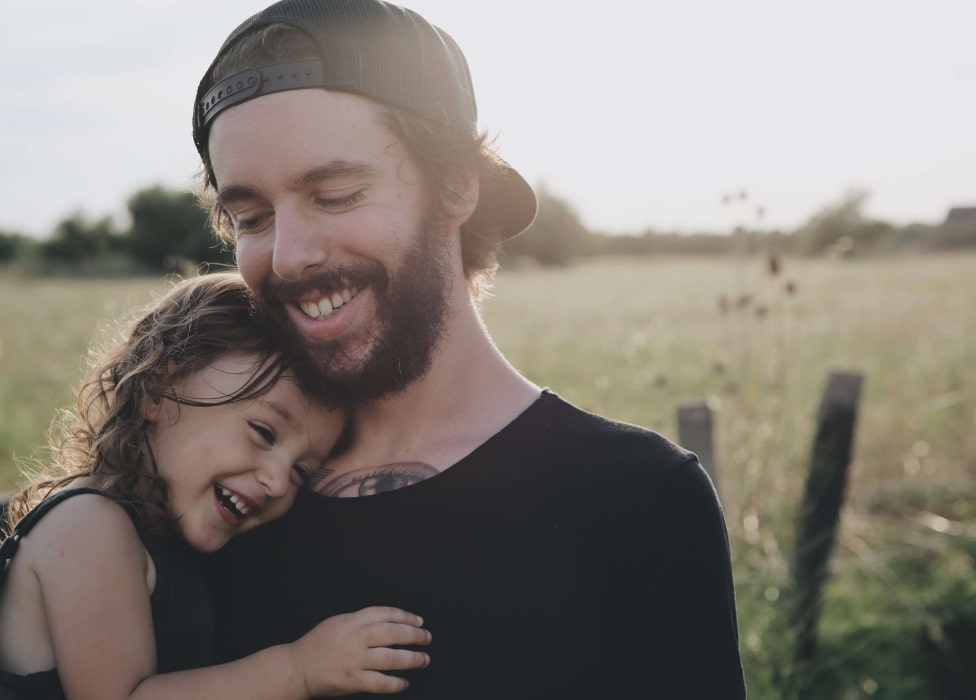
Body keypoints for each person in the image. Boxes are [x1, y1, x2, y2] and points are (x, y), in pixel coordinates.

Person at [194, 1, 747, 697]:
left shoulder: (635, 501)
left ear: (456, 186)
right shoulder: (221, 495)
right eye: (251, 218)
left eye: (335, 194)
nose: (290, 256)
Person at [0, 272, 431, 700]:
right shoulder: (88, 526)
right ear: (157, 387)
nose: (278, 481)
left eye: (302, 471)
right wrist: (299, 670)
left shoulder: (160, 540)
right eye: (263, 432)